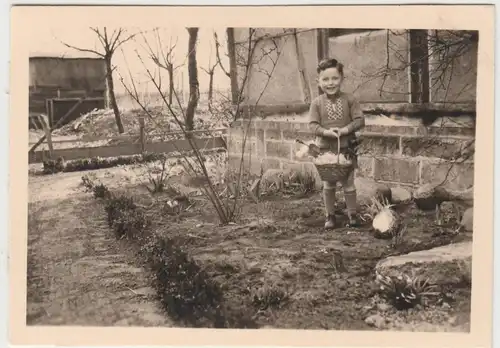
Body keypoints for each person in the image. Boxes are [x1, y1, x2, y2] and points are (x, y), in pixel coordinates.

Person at [308, 58, 365, 230]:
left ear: (341, 78)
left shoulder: (350, 100)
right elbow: (312, 125)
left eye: (334, 78)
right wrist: (326, 132)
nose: (330, 83)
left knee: (348, 182)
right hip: (325, 149)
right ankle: (330, 216)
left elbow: (360, 120)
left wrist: (345, 130)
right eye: (325, 79)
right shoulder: (316, 103)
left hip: (347, 148)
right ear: (318, 81)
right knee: (329, 183)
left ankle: (352, 215)